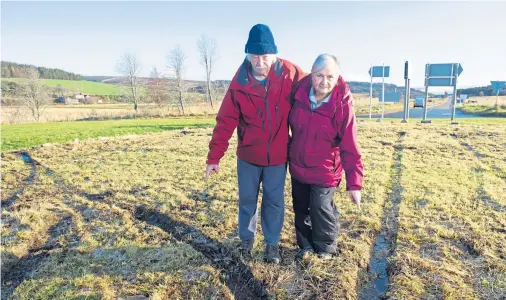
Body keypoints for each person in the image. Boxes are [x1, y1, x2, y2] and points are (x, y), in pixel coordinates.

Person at [205, 24, 304, 264]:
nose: (260, 62)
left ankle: (272, 245)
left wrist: (338, 87)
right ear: (247, 54)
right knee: (247, 200)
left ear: (274, 54)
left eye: (265, 56)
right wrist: (214, 157)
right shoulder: (239, 83)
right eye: (255, 56)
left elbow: (319, 83)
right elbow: (225, 121)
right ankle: (246, 241)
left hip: (278, 157)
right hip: (248, 156)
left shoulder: (290, 73)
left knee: (274, 201)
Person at [288, 53, 363, 260]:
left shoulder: (342, 104)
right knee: (301, 208)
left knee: (321, 208)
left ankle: (326, 248)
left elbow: (350, 144)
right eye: (319, 75)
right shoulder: (298, 95)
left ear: (338, 77)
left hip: (325, 170)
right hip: (298, 166)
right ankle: (305, 245)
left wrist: (354, 184)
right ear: (311, 75)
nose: (324, 82)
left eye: (330, 77)